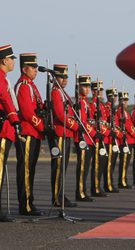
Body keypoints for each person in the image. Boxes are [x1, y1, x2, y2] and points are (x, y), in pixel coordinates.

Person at [15, 53, 45, 216]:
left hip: (34, 133)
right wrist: (42, 126)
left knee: (30, 169)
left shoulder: (31, 85)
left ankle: (29, 202)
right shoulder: (24, 85)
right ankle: (25, 205)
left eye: (35, 67)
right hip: (27, 132)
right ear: (24, 68)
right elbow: (27, 112)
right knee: (25, 170)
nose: (35, 70)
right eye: (32, 68)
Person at [50, 64, 78, 207]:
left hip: (66, 132)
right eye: (62, 77)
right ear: (55, 78)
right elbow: (60, 114)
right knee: (59, 166)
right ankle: (56, 197)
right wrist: (75, 125)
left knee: (63, 167)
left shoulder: (63, 92)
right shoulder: (56, 92)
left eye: (66, 77)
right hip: (61, 132)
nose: (65, 80)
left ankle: (60, 194)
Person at [0, 44, 20, 222]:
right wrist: (15, 120)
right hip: (3, 129)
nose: (14, 61)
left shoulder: (4, 78)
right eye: (12, 58)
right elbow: (5, 99)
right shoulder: (0, 78)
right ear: (4, 60)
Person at [74, 75, 96, 202]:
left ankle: (83, 191)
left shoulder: (85, 102)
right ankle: (80, 192)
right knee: (82, 167)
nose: (87, 89)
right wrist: (93, 132)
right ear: (79, 87)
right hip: (82, 138)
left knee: (86, 166)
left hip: (87, 138)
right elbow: (82, 122)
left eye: (88, 86)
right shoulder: (80, 102)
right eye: (84, 86)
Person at [89, 80, 110, 197]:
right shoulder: (92, 104)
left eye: (101, 89)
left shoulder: (101, 105)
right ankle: (95, 187)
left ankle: (98, 186)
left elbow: (104, 123)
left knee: (101, 164)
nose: (101, 92)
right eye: (98, 90)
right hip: (97, 138)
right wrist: (103, 132)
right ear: (93, 91)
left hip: (103, 137)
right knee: (96, 164)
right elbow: (92, 122)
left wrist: (106, 132)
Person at [104, 87, 122, 193]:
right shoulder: (107, 107)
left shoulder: (113, 108)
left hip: (114, 138)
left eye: (115, 96)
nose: (114, 98)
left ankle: (110, 183)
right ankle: (108, 184)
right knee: (109, 164)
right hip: (109, 138)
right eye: (112, 96)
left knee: (112, 163)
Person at [116, 91, 135, 189]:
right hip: (126, 140)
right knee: (124, 162)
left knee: (126, 162)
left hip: (129, 140)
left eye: (126, 100)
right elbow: (128, 126)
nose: (126, 103)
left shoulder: (125, 112)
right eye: (124, 100)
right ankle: (122, 181)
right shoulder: (121, 112)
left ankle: (124, 180)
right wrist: (134, 133)